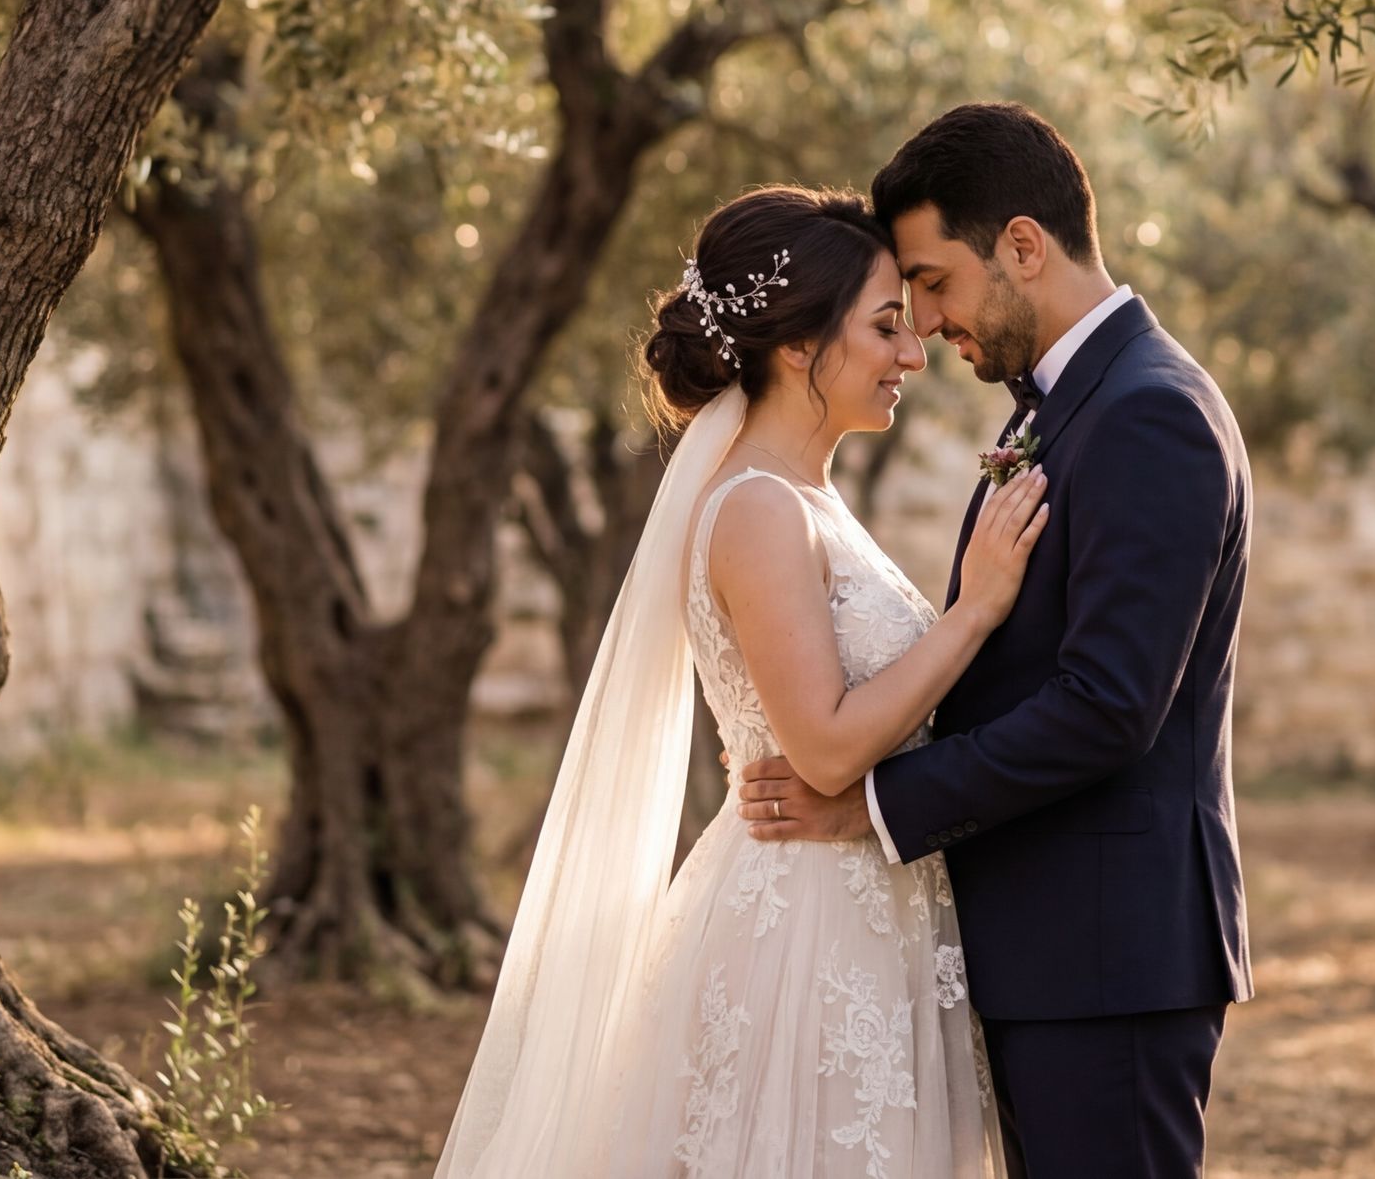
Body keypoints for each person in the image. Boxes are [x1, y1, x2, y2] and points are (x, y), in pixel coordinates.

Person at [435, 183, 1046, 1179]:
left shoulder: (807, 497)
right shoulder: (761, 507)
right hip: (807, 931)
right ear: (799, 345)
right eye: (886, 326)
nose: (913, 353)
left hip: (868, 908)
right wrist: (976, 609)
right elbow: (828, 744)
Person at [740, 103, 1255, 1179]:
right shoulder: (1057, 409)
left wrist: (872, 805)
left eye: (932, 282)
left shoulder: (1148, 413)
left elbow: (1110, 704)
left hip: (1109, 962)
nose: (923, 323)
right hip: (1049, 953)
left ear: (1022, 245)